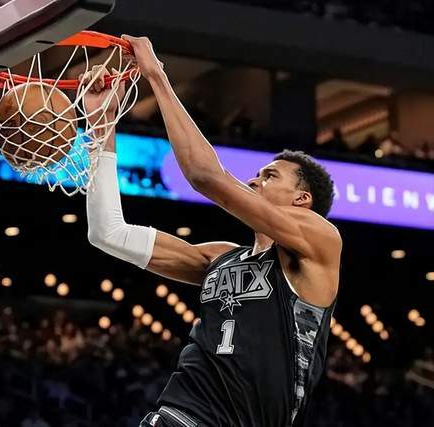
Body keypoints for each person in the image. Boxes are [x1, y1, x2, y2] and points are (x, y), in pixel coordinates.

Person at [82, 35, 342, 427]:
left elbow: (205, 175)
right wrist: (101, 127)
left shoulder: (321, 241)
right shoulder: (219, 257)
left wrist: (156, 75)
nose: (253, 181)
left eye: (269, 176)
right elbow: (108, 233)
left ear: (302, 199)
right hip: (183, 415)